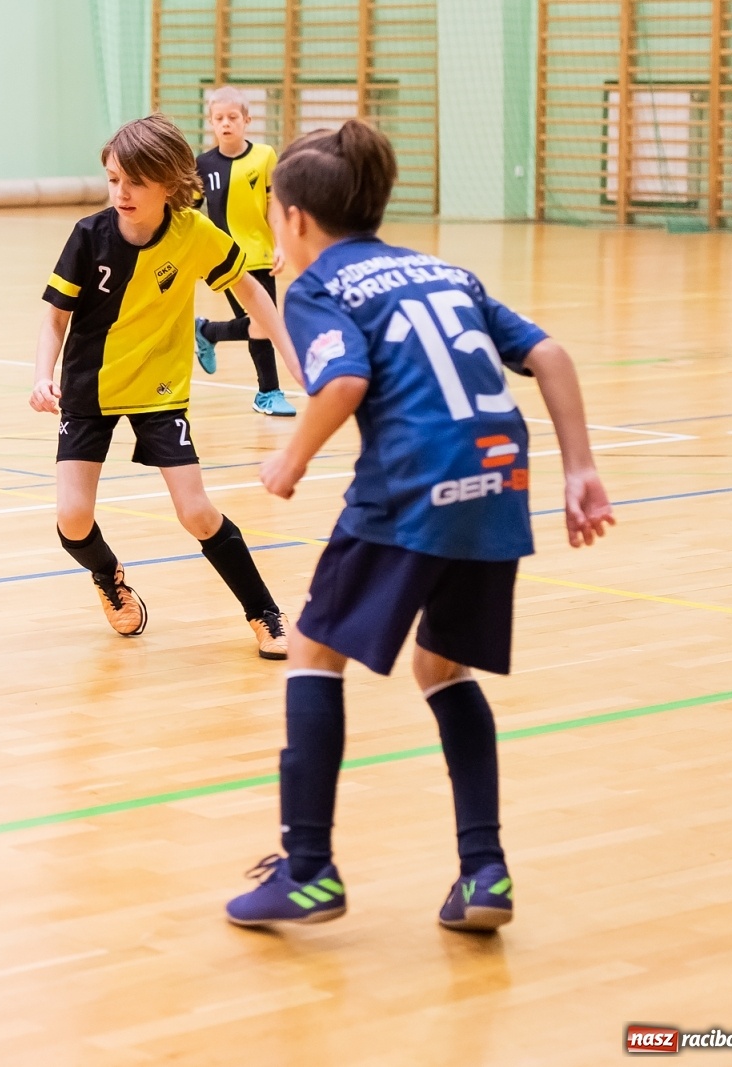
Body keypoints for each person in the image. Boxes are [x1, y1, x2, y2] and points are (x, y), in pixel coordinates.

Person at [223, 119, 615, 932]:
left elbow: (344, 382)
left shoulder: (317, 288)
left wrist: (290, 458)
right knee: (442, 666)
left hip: (413, 481)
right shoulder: (444, 271)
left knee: (312, 651)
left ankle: (308, 869)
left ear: (294, 219)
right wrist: (580, 469)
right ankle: (484, 871)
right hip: (499, 478)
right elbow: (551, 355)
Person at [31, 113, 297, 660]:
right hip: (90, 389)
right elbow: (56, 318)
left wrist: (291, 355)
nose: (121, 193)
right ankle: (108, 575)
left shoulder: (193, 234)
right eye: (113, 179)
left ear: (170, 182)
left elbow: (250, 291)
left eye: (135, 182)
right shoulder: (89, 236)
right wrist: (42, 375)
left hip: (160, 391)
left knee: (196, 511)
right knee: (73, 519)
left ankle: (264, 611)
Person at [192, 86, 294, 418]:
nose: (226, 123)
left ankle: (207, 331)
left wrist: (280, 244)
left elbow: (273, 206)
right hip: (225, 259)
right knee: (262, 325)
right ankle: (268, 392)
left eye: (233, 117)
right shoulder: (203, 164)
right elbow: (190, 214)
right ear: (211, 122)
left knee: (261, 324)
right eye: (219, 118)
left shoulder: (265, 156)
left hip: (261, 255)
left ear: (247, 120)